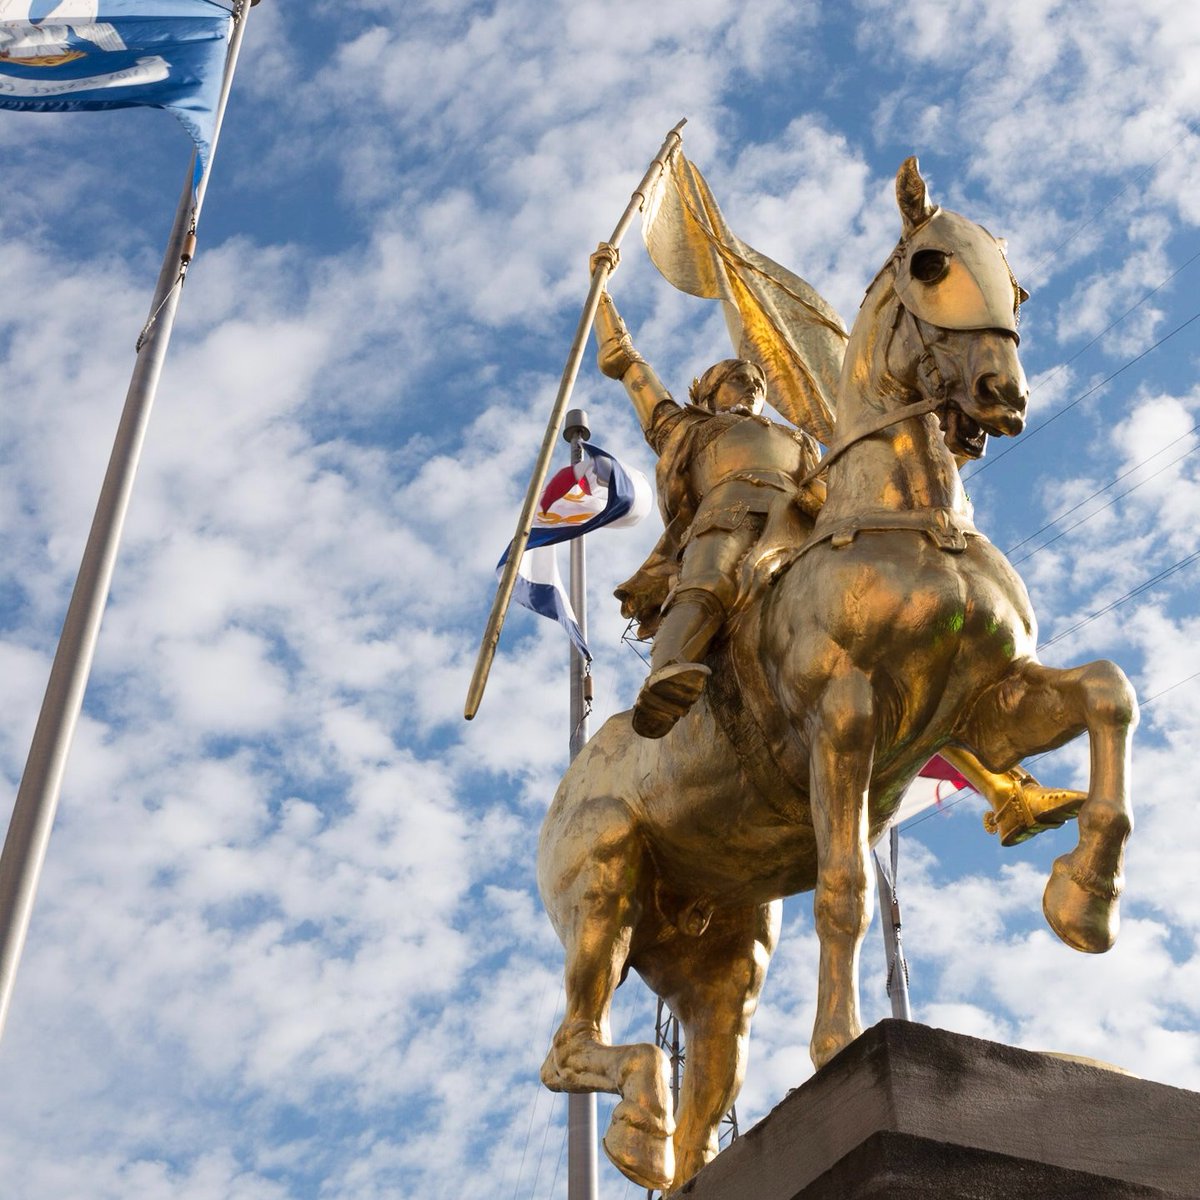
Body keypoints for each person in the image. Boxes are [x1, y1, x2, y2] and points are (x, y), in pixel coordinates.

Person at [594, 283, 824, 738]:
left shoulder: (799, 440)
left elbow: (830, 481)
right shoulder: (686, 427)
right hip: (730, 512)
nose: (753, 388)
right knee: (710, 577)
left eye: (759, 384)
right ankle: (668, 671)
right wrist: (601, 298)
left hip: (801, 520)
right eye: (740, 379)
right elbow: (625, 364)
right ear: (710, 391)